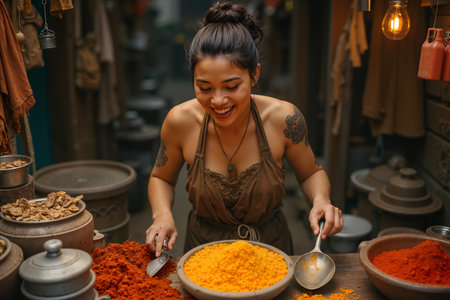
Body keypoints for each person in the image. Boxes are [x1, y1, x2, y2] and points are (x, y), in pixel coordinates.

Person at [146, 1, 343, 257]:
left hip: (272, 251)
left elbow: (310, 173)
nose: (218, 101)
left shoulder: (284, 119)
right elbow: (161, 177)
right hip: (203, 254)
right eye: (204, 88)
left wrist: (321, 200)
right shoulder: (179, 122)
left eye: (231, 87)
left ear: (254, 75)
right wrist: (162, 215)